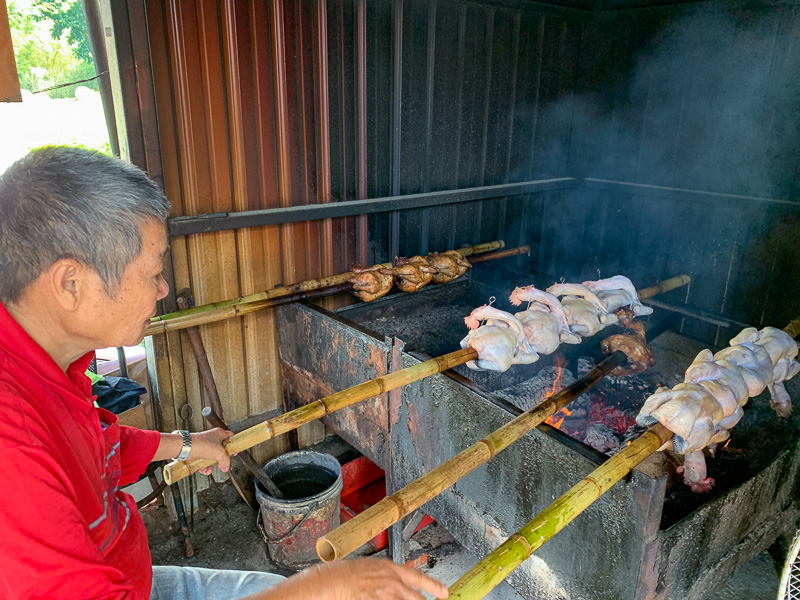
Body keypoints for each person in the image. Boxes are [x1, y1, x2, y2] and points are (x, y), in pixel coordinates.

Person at [0, 146, 449, 600]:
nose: (163, 288)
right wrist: (314, 588)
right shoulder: (11, 444)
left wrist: (188, 443)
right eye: (153, 272)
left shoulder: (52, 364)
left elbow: (98, 448)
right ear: (69, 284)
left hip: (133, 578)